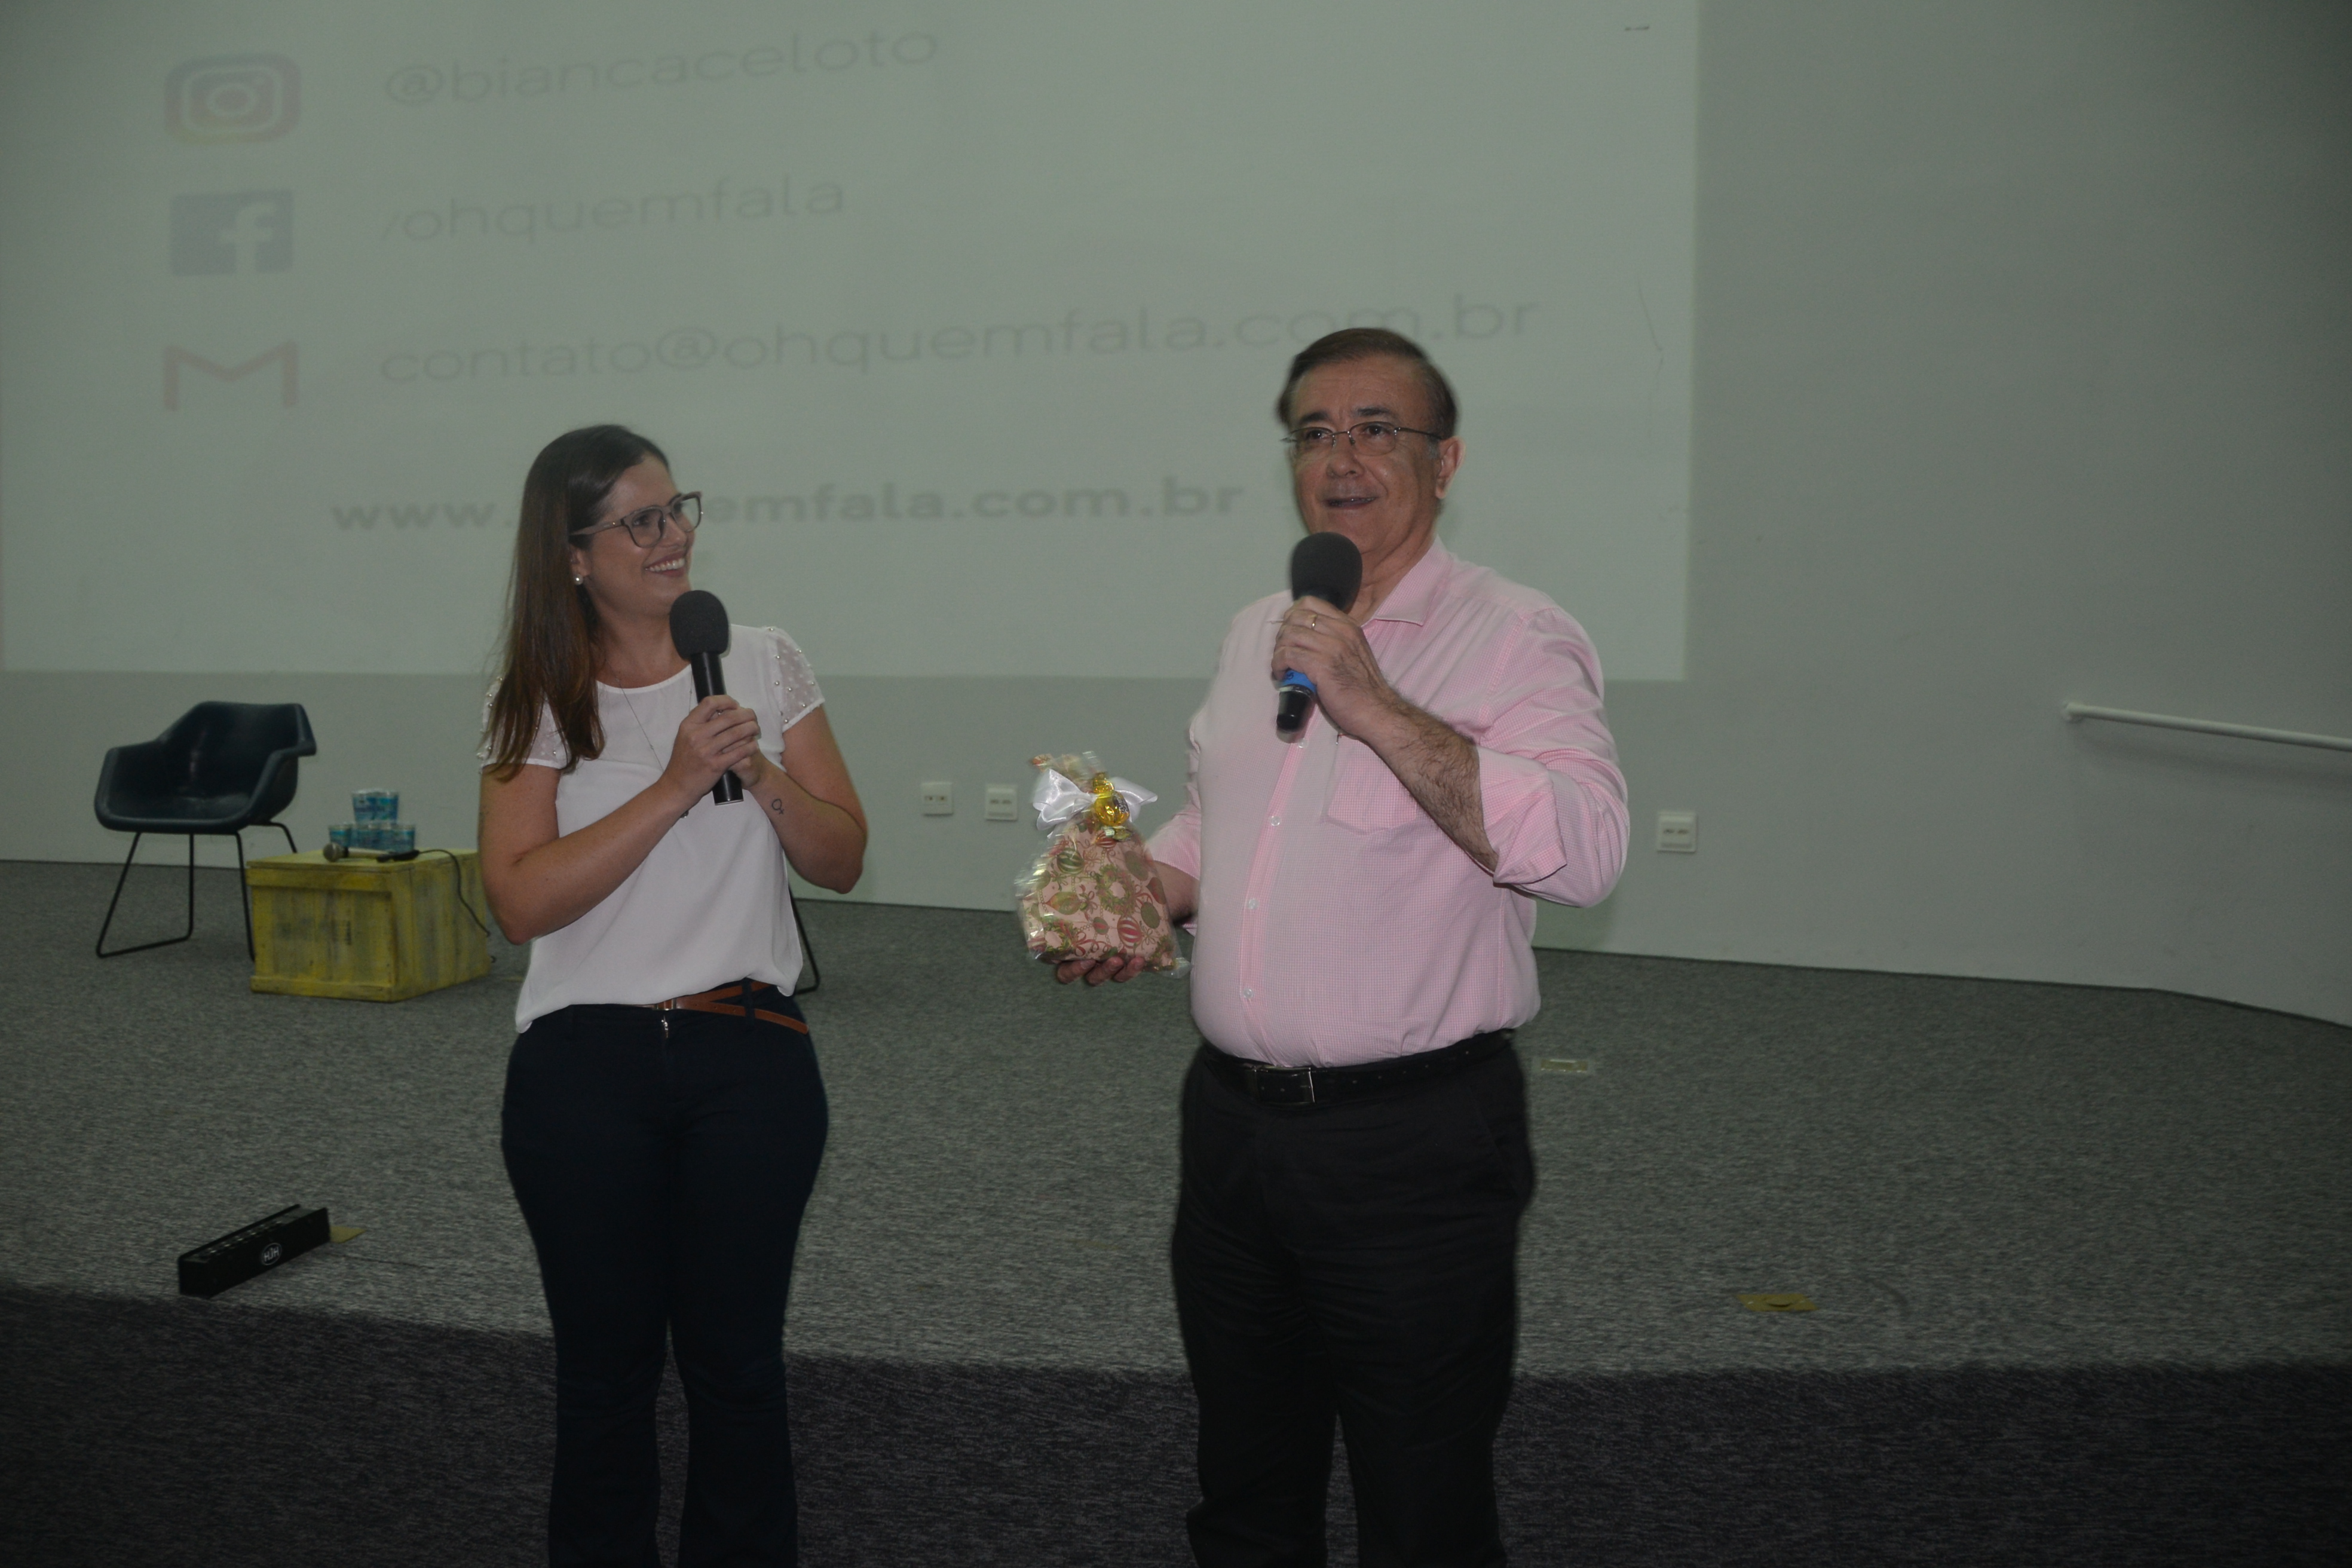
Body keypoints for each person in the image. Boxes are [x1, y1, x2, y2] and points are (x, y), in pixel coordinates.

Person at [1062, 329, 1628, 1564]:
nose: (1343, 458)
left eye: (1379, 430)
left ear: (1446, 462)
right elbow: (1221, 824)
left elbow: (1586, 854)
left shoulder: (1515, 636)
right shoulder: (1257, 628)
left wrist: (1372, 704)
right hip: (1232, 1135)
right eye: (1314, 433)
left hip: (1412, 1149)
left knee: (1419, 1501)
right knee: (1246, 1485)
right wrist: (1136, 897)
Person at [478, 424, 866, 1567]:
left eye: (677, 508)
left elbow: (843, 859)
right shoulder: (537, 695)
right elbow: (519, 902)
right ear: (574, 557)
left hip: (748, 1049)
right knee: (604, 1376)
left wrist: (759, 770)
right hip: (581, 1066)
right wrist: (675, 783)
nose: (673, 536)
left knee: (738, 1369)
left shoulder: (762, 659)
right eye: (639, 521)